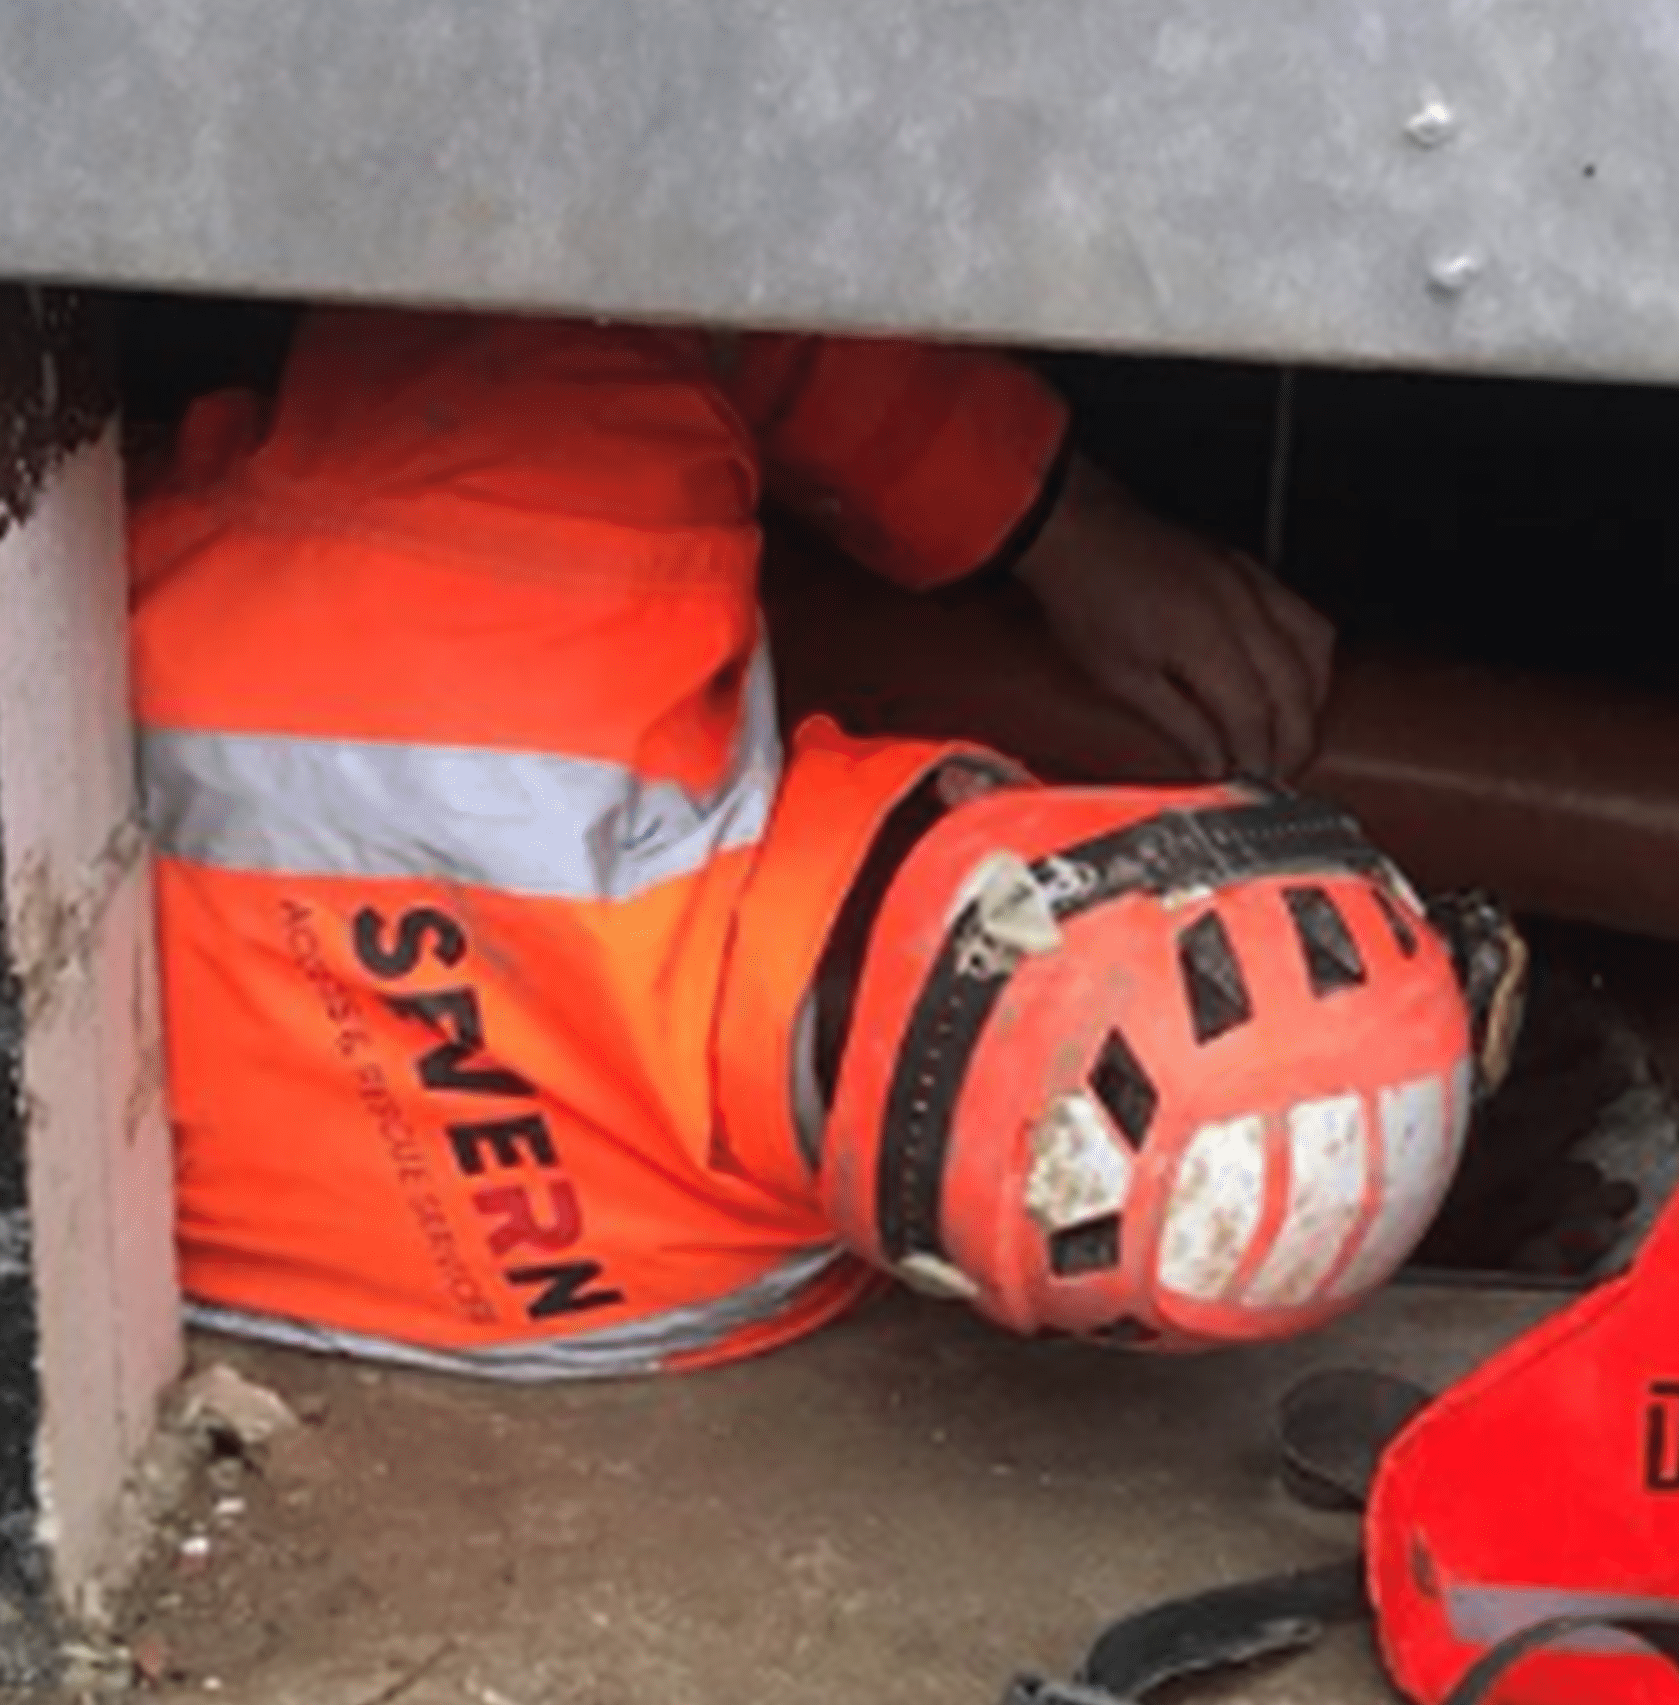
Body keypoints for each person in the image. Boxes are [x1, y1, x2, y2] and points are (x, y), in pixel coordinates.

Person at [130, 308, 1497, 1379]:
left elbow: (604, 203)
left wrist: (1056, 526)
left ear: (982, 798)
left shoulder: (558, 535)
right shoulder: (691, 1302)